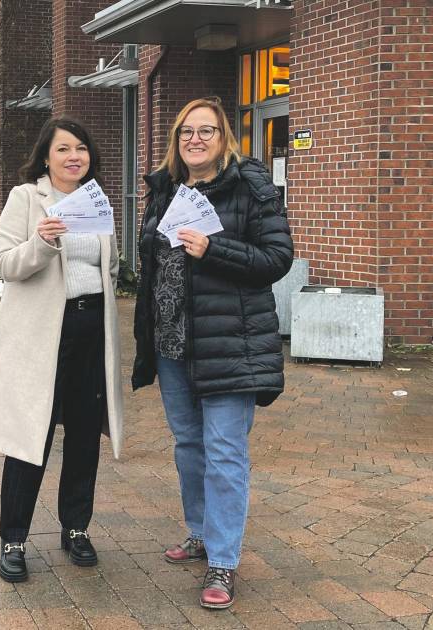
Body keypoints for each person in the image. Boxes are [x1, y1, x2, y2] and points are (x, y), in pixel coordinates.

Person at [132, 97, 293, 610]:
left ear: (224, 137)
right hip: (173, 342)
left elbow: (277, 257)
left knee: (225, 451)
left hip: (231, 344)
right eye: (186, 132)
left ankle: (223, 560)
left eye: (206, 131)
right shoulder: (163, 190)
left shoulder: (249, 186)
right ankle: (200, 531)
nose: (195, 140)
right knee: (189, 445)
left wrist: (214, 248)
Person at [0, 117, 125, 584]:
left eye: (81, 148)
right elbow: (5, 264)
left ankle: (76, 528)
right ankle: (14, 539)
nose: (73, 157)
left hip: (90, 330)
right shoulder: (26, 198)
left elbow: (112, 265)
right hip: (44, 335)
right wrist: (42, 243)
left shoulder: (97, 202)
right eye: (63, 149)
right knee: (31, 438)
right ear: (47, 156)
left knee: (84, 436)